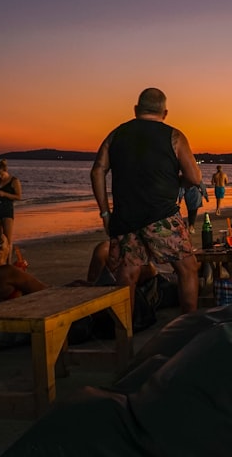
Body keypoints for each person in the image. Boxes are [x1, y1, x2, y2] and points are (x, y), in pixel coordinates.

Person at [90, 87, 202, 315]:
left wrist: (105, 213)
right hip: (162, 216)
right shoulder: (174, 136)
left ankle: (126, 336)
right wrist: (177, 183)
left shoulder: (116, 134)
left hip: (125, 217)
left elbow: (97, 171)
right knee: (187, 268)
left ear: (136, 109)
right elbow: (194, 177)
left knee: (127, 274)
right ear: (165, 112)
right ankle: (189, 325)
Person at [0, 159, 22, 253]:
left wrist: (4, 194)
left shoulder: (14, 180)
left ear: (5, 171)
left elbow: (19, 196)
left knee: (8, 238)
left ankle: (8, 262)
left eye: (1, 173)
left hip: (7, 208)